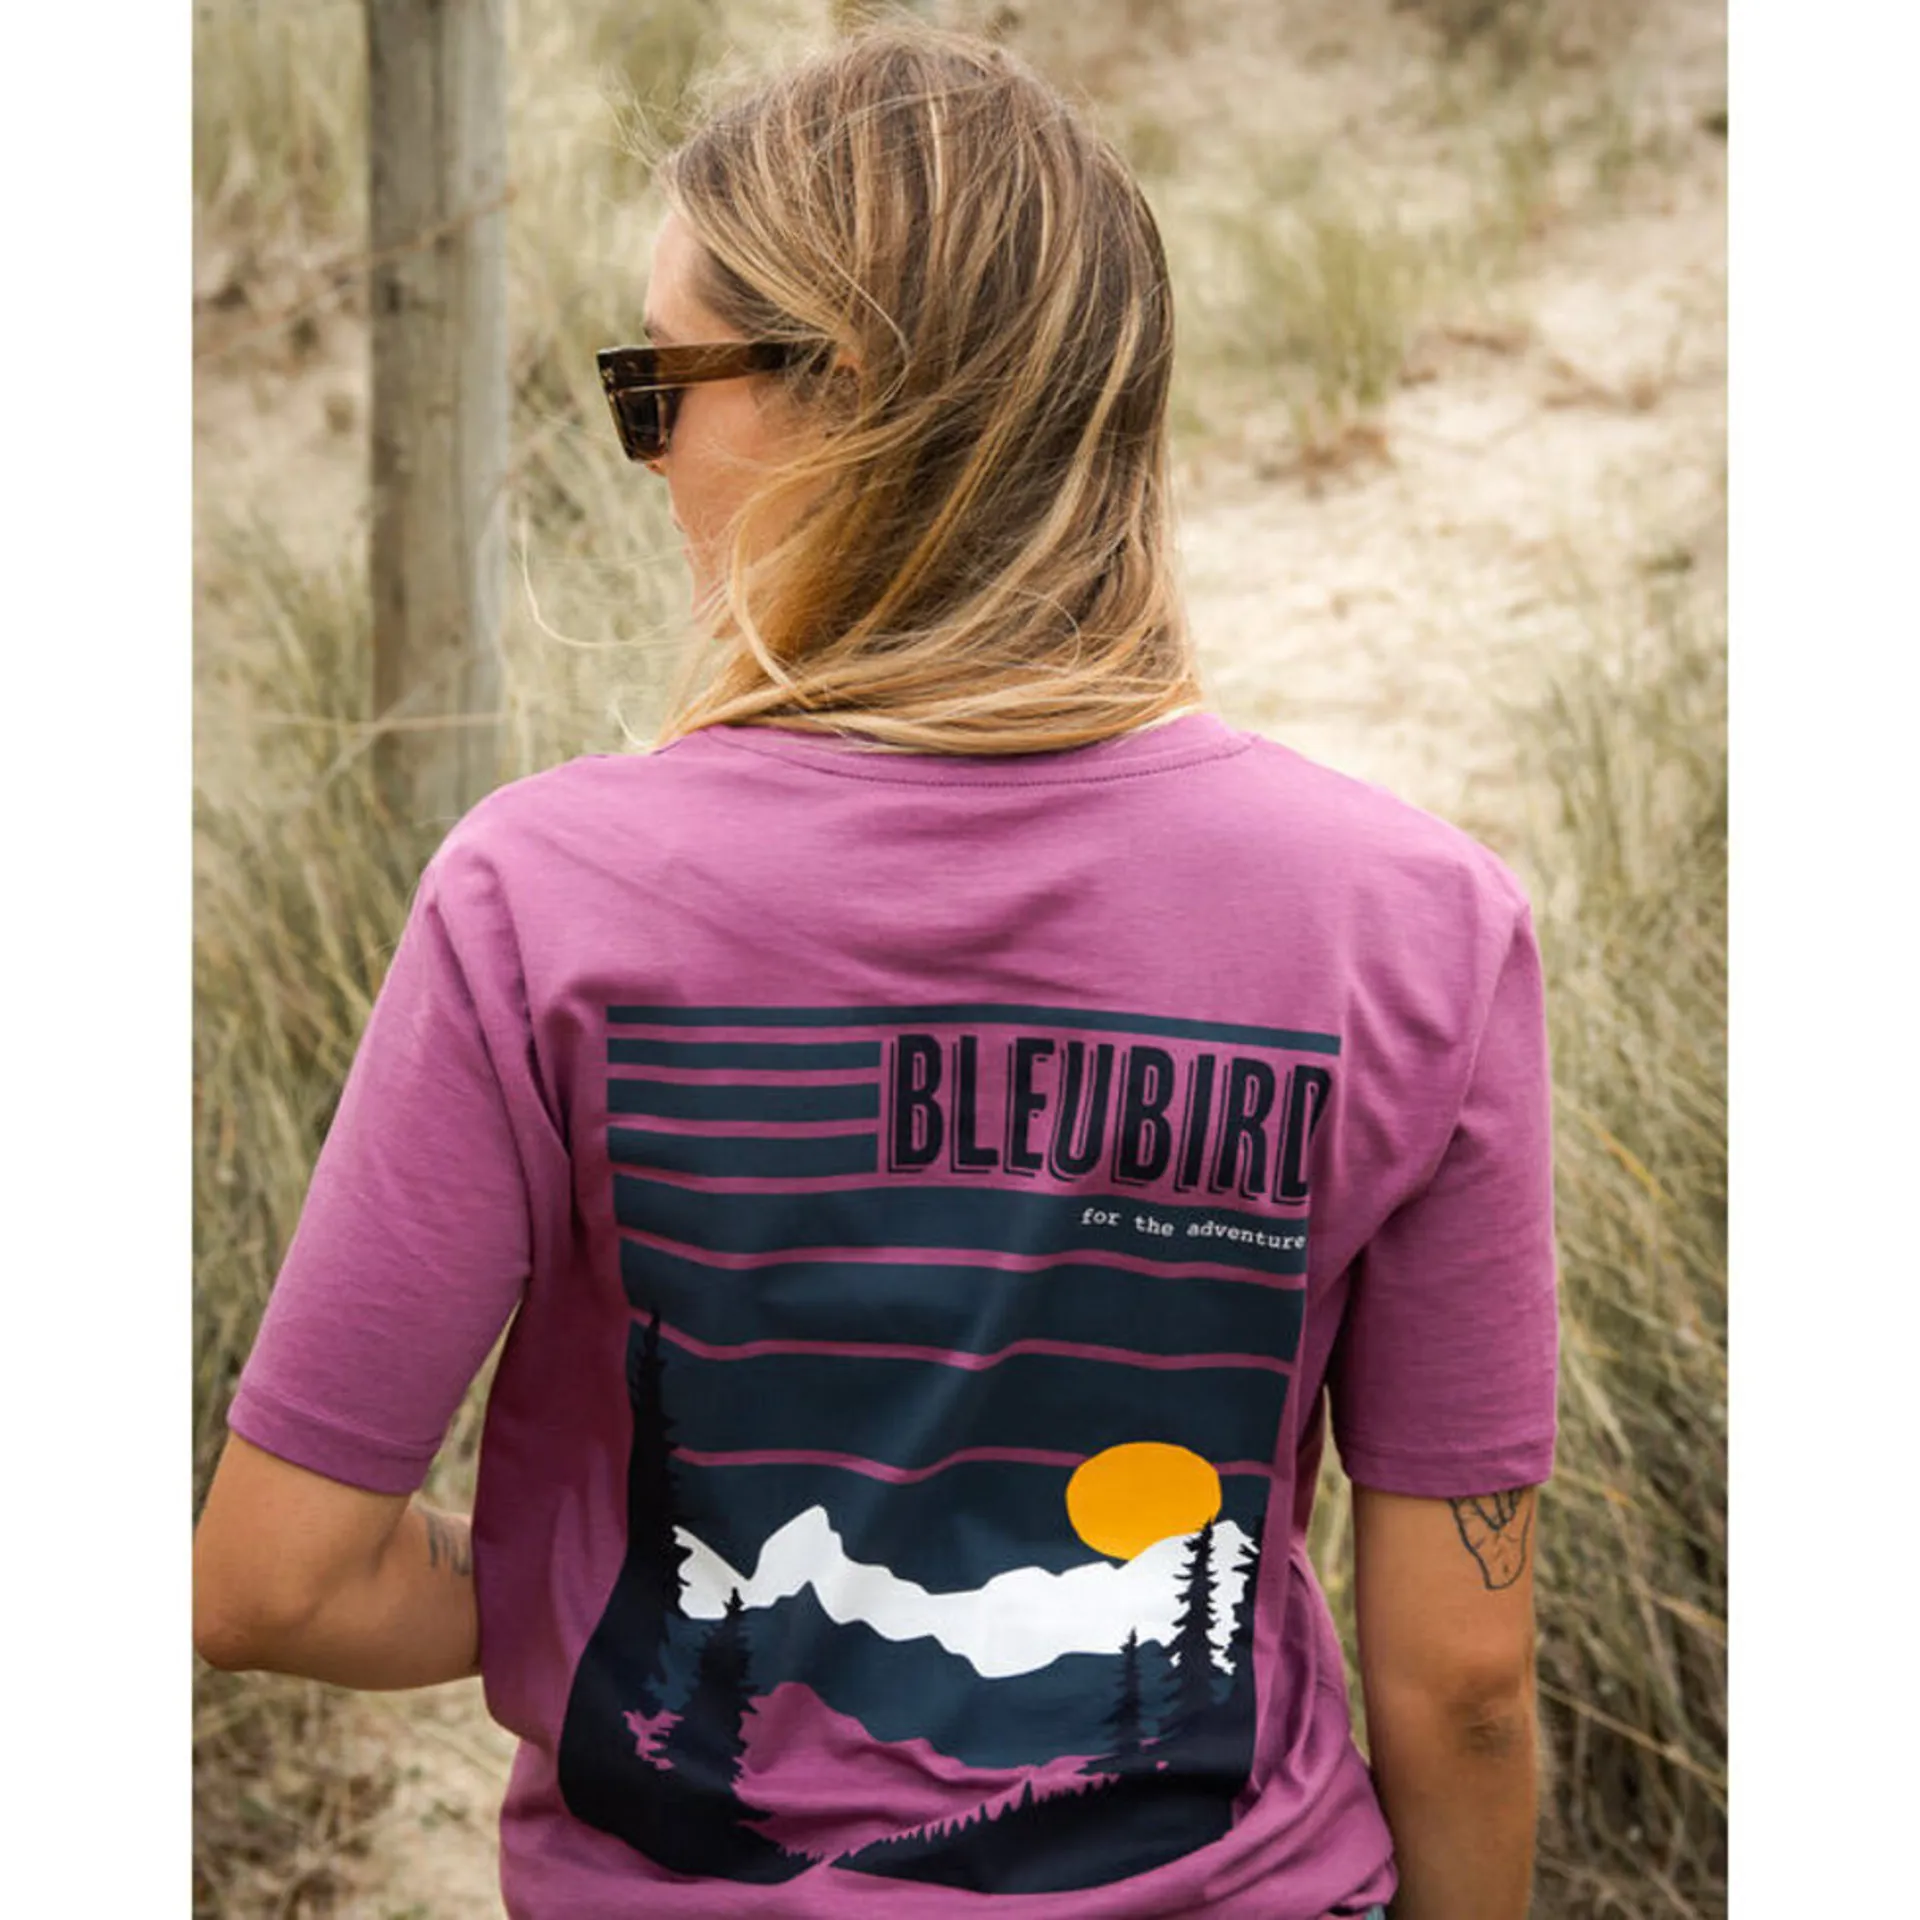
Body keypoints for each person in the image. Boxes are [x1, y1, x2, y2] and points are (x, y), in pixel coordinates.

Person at [193, 21, 1557, 1920]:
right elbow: (1464, 1681)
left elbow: (277, 1580)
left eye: (658, 384)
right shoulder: (1418, 925)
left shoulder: (542, 902)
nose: (650, 457)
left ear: (839, 407)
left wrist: (625, 1595)